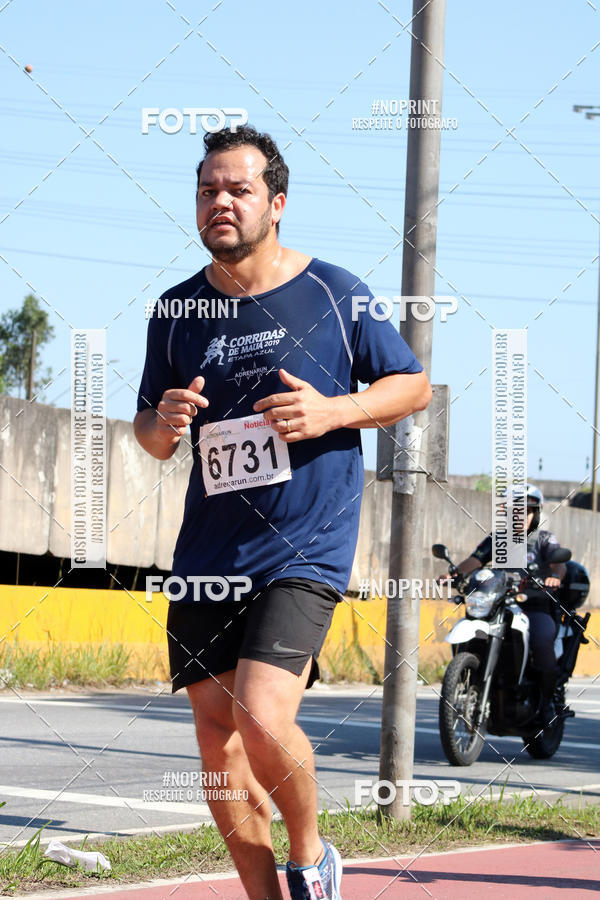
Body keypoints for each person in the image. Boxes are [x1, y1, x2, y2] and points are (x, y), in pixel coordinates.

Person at [134, 124, 431, 900]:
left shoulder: (333, 292)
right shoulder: (174, 311)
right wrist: (162, 421)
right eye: (208, 190)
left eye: (238, 189)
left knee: (263, 717)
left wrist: (333, 412)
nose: (220, 202)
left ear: (278, 202)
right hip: (207, 555)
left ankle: (312, 857)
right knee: (216, 746)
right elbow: (152, 437)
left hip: (305, 545)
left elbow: (412, 386)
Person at [439, 483, 566, 729]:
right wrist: (453, 575)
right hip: (498, 605)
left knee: (541, 642)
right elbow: (475, 560)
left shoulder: (543, 539)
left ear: (535, 514)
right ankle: (473, 682)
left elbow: (558, 562)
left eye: (526, 511)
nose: (520, 517)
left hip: (534, 607)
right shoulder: (497, 538)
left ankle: (548, 702)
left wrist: (556, 577)